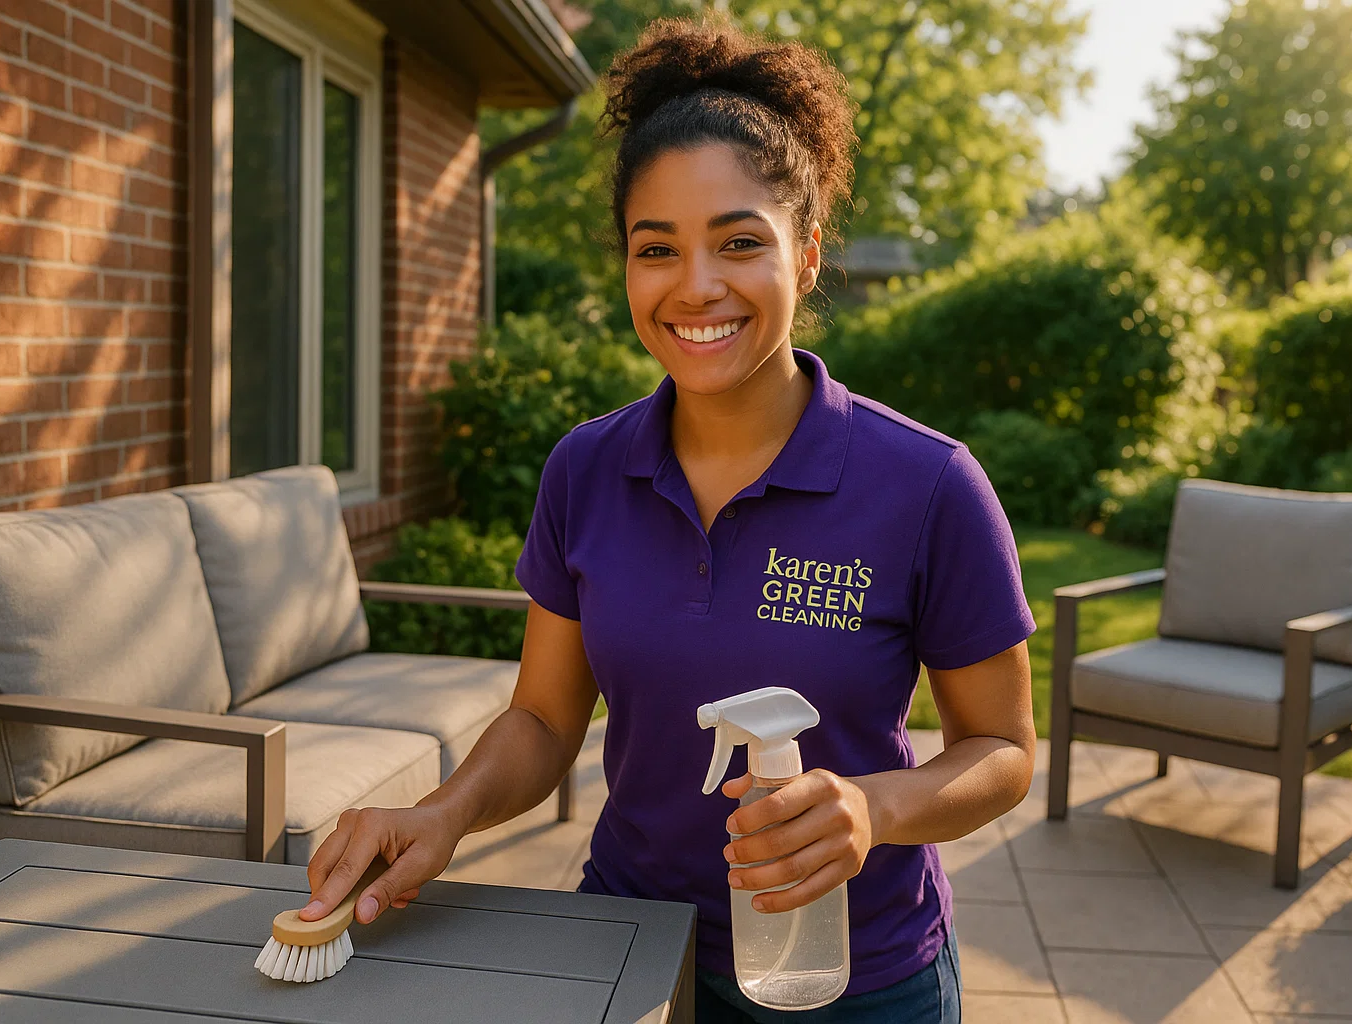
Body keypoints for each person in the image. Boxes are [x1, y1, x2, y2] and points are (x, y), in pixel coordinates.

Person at [298, 15, 1037, 1023]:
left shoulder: (929, 484)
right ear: (629, 266)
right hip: (629, 946)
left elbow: (1001, 749)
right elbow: (546, 716)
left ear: (808, 255)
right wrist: (442, 813)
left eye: (740, 242)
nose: (697, 287)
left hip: (855, 976)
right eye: (658, 249)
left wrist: (876, 805)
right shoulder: (586, 469)